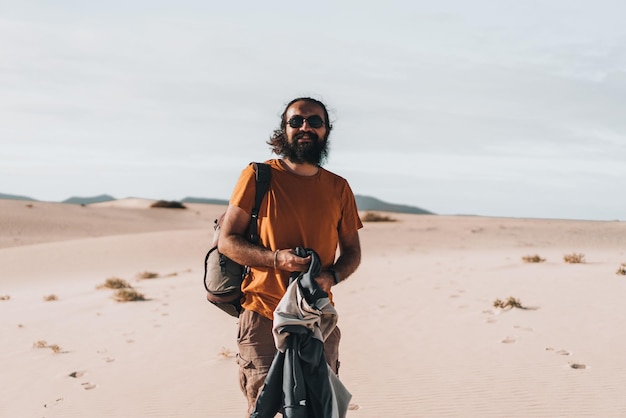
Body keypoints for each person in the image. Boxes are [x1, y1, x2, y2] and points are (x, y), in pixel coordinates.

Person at [218, 97, 363, 415]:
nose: (305, 127)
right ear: (284, 130)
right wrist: (275, 260)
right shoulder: (258, 177)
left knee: (319, 409)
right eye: (296, 121)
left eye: (315, 121)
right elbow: (227, 242)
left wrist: (330, 276)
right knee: (263, 409)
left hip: (316, 321)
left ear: (326, 130)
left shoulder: (338, 188)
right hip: (262, 316)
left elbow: (352, 252)